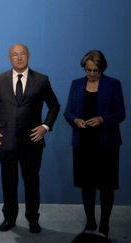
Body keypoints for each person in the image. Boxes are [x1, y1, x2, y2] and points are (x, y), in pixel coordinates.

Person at [0, 43, 60, 233]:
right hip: (5, 140)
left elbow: (54, 106)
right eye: (15, 55)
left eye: (22, 54)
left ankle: (33, 219)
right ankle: (9, 218)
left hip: (32, 142)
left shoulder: (41, 80)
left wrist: (45, 126)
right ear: (9, 58)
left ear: (28, 56)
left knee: (32, 182)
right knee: (9, 183)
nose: (19, 57)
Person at [64, 50, 125, 239]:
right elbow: (68, 112)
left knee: (106, 187)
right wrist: (75, 121)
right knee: (86, 186)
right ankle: (90, 223)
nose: (91, 74)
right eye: (87, 70)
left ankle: (104, 226)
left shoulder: (113, 85)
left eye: (95, 71)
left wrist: (102, 119)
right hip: (83, 143)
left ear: (102, 69)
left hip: (106, 144)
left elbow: (120, 113)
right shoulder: (76, 84)